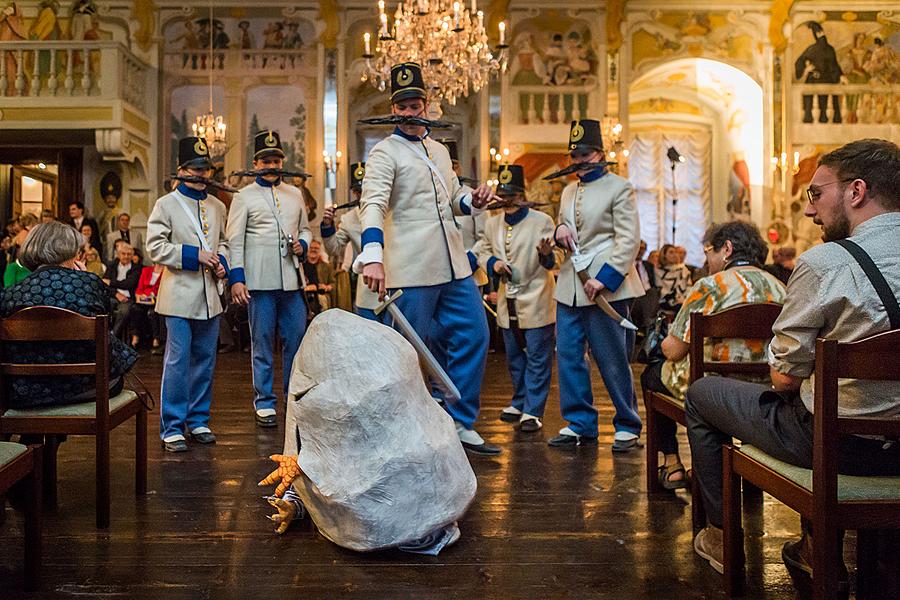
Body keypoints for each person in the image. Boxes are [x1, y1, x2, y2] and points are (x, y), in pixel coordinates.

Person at [685, 139, 900, 582]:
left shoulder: (825, 263)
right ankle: (822, 548)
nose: (809, 210)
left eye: (816, 194)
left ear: (856, 192)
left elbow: (783, 378)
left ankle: (721, 537)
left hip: (843, 447)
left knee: (704, 393)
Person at [356, 62, 499, 455]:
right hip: (410, 266)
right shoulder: (384, 153)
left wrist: (476, 200)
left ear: (426, 104)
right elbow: (372, 204)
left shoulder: (439, 150)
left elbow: (454, 200)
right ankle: (405, 425)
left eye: (413, 103)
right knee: (408, 353)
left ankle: (460, 419)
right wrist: (373, 255)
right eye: (400, 105)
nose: (407, 111)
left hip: (454, 263)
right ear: (393, 108)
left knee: (475, 333)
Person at [640, 221, 786, 489]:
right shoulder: (780, 288)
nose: (706, 260)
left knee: (652, 374)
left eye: (709, 251)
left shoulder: (709, 286)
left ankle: (672, 463)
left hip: (711, 390)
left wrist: (663, 343)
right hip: (766, 391)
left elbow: (675, 350)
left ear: (727, 249)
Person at [551, 119, 645, 450]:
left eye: (585, 154)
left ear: (601, 154)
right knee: (568, 355)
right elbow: (566, 225)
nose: (579, 161)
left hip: (607, 285)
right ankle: (580, 422)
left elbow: (628, 239)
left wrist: (604, 280)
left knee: (612, 356)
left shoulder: (620, 187)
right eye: (574, 155)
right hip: (570, 285)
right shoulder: (567, 190)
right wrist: (558, 231)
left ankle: (627, 423)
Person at [146, 136, 229, 452]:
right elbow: (155, 247)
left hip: (210, 297)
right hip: (178, 295)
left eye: (204, 168)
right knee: (178, 361)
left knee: (205, 360)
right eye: (194, 168)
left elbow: (224, 243)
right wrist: (195, 255)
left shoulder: (218, 206)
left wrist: (221, 260)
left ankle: (198, 420)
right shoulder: (165, 204)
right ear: (181, 170)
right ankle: (172, 425)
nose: (200, 174)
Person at [0, 221, 137, 409]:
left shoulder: (10, 294)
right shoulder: (89, 283)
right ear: (72, 253)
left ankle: (37, 433)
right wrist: (86, 278)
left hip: (27, 389)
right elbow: (106, 322)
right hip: (87, 385)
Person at [225, 129, 311, 428]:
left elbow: (305, 229)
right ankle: (264, 401)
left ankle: (294, 395)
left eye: (276, 159)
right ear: (256, 163)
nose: (271, 165)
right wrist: (237, 278)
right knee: (261, 342)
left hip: (291, 280)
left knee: (296, 340)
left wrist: (304, 243)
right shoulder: (244, 196)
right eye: (265, 160)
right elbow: (234, 240)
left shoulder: (295, 194)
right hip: (259, 281)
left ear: (282, 161)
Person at [474, 164, 557, 432]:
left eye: (513, 195)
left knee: (537, 355)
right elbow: (482, 252)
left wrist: (546, 255)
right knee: (513, 356)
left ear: (523, 195)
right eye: (503, 195)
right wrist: (494, 262)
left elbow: (558, 258)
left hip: (537, 296)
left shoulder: (541, 221)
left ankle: (533, 409)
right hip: (506, 299)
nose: (507, 201)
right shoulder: (492, 223)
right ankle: (519, 399)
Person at [321, 162, 382, 320]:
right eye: (358, 191)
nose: (362, 195)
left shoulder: (390, 210)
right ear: (354, 193)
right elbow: (334, 249)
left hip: (396, 284)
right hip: (368, 292)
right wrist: (328, 226)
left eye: (366, 189)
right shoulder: (348, 219)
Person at [103, 242, 140, 336]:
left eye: (129, 254)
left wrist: (111, 282)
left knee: (123, 311)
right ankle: (104, 332)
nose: (126, 256)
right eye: (123, 254)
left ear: (132, 256)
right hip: (113, 296)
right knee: (106, 305)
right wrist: (116, 294)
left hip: (128, 298)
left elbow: (129, 284)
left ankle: (112, 336)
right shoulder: (112, 266)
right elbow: (104, 283)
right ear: (119, 255)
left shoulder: (136, 268)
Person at [128, 263, 165, 354]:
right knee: (134, 308)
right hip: (143, 299)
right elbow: (139, 289)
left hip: (158, 300)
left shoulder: (167, 271)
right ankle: (135, 337)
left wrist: (154, 297)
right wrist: (141, 296)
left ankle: (156, 339)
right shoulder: (146, 270)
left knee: (152, 313)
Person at [655, 243, 692, 314]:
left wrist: (684, 298)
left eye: (675, 252)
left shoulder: (683, 270)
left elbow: (688, 287)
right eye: (671, 252)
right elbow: (659, 290)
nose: (674, 255)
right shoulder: (658, 271)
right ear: (664, 255)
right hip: (664, 300)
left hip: (682, 298)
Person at [301, 240, 334, 318]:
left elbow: (333, 283)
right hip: (304, 295)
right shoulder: (301, 266)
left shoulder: (326, 266)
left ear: (320, 250)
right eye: (311, 247)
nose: (313, 250)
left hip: (321, 296)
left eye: (316, 248)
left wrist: (327, 287)